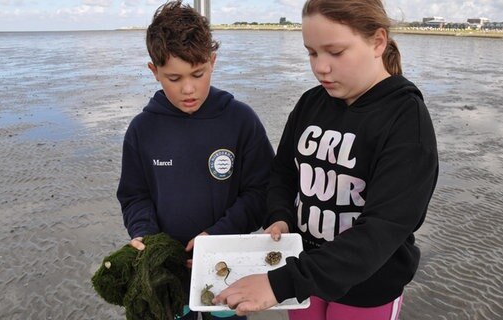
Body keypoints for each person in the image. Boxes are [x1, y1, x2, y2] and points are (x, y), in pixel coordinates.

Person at [213, 0, 439, 319]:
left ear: (378, 41)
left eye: (335, 52)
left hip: (368, 287)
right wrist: (280, 216)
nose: (320, 67)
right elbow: (282, 174)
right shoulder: (311, 103)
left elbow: (382, 229)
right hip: (306, 278)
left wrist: (280, 284)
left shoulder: (405, 122)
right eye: (312, 52)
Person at [116, 1, 274, 319]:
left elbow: (261, 192)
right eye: (174, 78)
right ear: (154, 71)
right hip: (168, 271)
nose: (189, 88)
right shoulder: (142, 129)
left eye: (198, 74)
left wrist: (218, 234)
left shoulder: (241, 120)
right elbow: (134, 195)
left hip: (226, 266)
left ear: (212, 62)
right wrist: (146, 235)